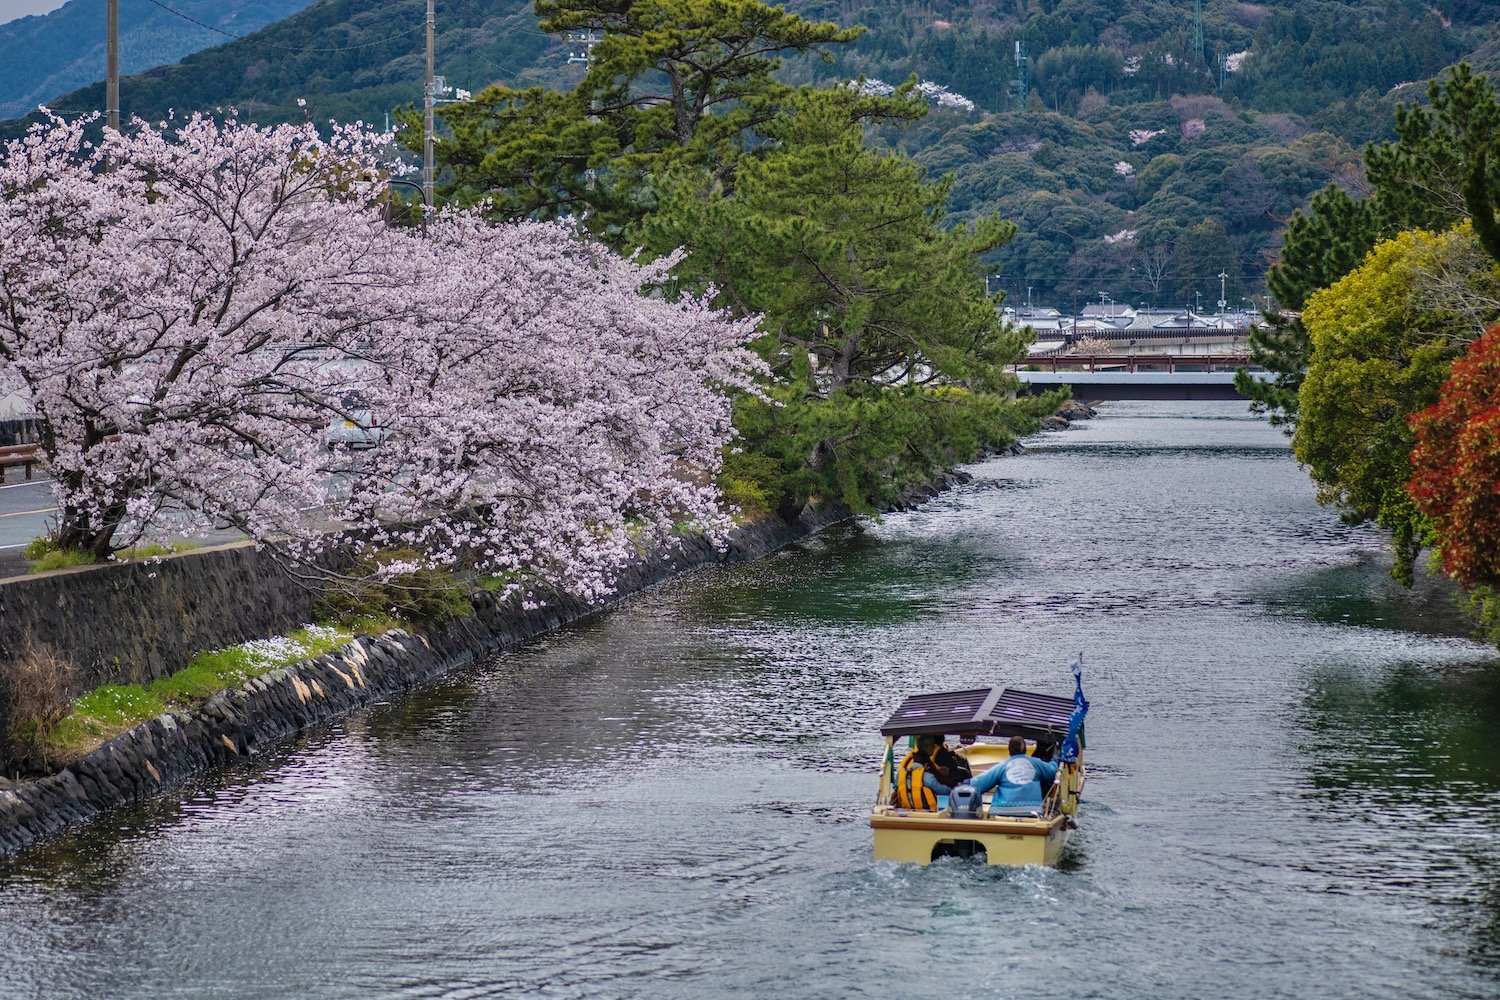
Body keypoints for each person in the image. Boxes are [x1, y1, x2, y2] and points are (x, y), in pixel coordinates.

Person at [967, 736, 1059, 810]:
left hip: (1002, 809)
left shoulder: (1002, 766)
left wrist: (965, 782)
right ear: (1025, 749)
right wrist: (1055, 760)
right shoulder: (1036, 763)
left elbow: (979, 783)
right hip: (1032, 809)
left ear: (1009, 750)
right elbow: (1052, 771)